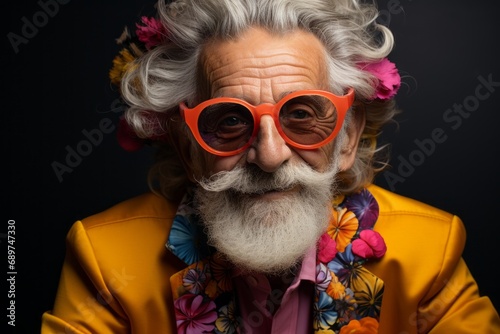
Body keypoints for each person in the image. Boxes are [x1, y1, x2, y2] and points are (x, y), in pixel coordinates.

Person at [41, 0, 500, 333]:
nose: (270, 155)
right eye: (229, 121)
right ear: (186, 144)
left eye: (301, 114)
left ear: (347, 137)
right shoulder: (103, 259)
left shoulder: (431, 254)